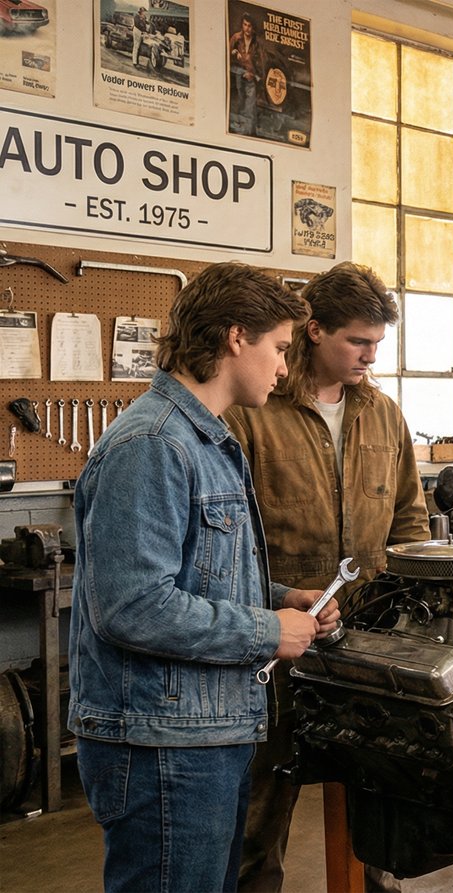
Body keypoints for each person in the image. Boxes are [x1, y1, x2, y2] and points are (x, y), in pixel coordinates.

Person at [67, 263, 339, 893]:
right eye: (278, 348)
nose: (283, 367)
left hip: (202, 736)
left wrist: (281, 600)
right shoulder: (154, 444)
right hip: (163, 748)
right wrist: (266, 629)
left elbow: (194, 575)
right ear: (236, 338)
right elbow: (133, 605)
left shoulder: (208, 441)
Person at [227, 263, 429, 893]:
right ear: (312, 329)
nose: (371, 356)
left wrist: (416, 613)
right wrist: (275, 608)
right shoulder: (252, 414)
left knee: (381, 799)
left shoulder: (384, 415)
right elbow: (228, 539)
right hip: (275, 645)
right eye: (357, 342)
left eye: (378, 344)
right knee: (260, 811)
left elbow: (409, 522)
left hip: (369, 645)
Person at [228, 15, 261, 134]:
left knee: (250, 106)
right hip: (236, 73)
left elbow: (259, 61)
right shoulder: (236, 38)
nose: (247, 28)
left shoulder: (256, 42)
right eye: (245, 25)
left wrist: (253, 74)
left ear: (253, 27)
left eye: (249, 26)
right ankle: (236, 131)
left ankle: (248, 133)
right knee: (237, 102)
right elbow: (226, 55)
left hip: (250, 76)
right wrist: (234, 52)